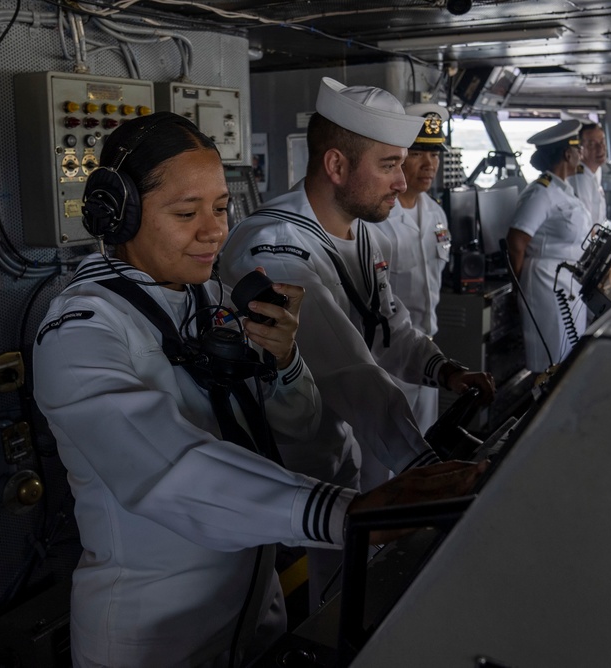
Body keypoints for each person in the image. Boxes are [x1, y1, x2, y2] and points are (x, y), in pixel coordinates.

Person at [32, 112, 486, 667]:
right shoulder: (81, 329)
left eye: (221, 208)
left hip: (256, 612)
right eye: (186, 213)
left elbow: (304, 444)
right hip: (153, 636)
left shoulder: (217, 302)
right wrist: (345, 512)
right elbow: (165, 467)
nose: (215, 231)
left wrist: (285, 367)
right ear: (118, 215)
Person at [218, 79, 495, 604]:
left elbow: (388, 326)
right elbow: (352, 372)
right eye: (389, 165)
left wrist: (444, 370)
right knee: (325, 603)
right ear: (338, 167)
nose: (402, 181)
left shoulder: (361, 232)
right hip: (280, 463)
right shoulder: (277, 247)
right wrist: (430, 470)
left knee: (351, 586)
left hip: (334, 443)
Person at [371, 103, 452, 432]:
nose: (429, 164)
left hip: (427, 348)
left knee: (424, 443)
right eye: (419, 153)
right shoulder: (376, 218)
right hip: (385, 356)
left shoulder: (436, 214)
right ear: (400, 157)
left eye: (434, 154)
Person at [506, 119, 592, 373]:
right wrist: (520, 285)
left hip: (568, 280)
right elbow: (516, 241)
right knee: (551, 361)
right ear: (568, 153)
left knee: (569, 358)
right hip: (544, 281)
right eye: (579, 149)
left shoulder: (562, 189)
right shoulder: (541, 192)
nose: (582, 154)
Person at [569, 122, 608, 227]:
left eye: (602, 141)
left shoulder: (595, 171)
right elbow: (585, 225)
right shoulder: (581, 178)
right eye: (592, 144)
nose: (601, 148)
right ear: (580, 149)